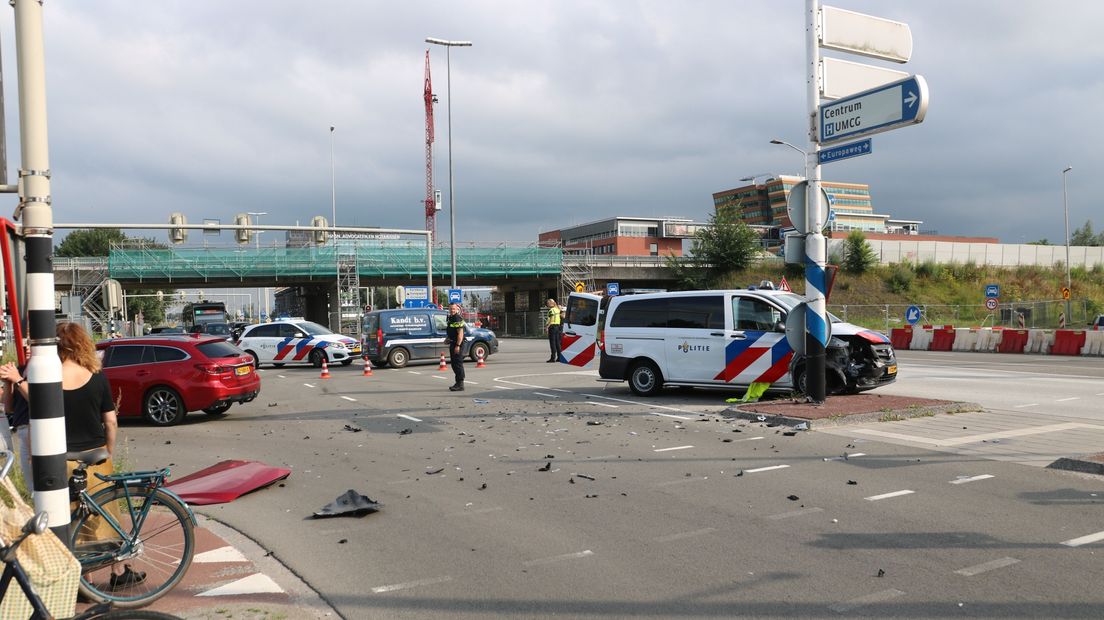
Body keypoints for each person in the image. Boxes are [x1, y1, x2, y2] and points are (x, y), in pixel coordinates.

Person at [56, 322, 143, 590]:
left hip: (63, 458)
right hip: (95, 455)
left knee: (71, 519)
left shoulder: (49, 379)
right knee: (105, 514)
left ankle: (86, 580)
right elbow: (110, 420)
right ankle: (119, 570)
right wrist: (108, 450)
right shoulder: (96, 376)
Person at [0, 342, 33, 490]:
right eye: (25, 344)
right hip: (23, 430)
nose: (27, 348)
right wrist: (8, 382)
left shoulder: (43, 369)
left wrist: (18, 380)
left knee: (39, 484)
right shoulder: (22, 369)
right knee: (31, 485)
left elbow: (39, 401)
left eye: (31, 344)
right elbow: (9, 407)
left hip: (36, 431)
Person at [446, 303, 465, 391]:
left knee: (457, 364)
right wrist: (448, 339)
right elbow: (452, 331)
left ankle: (460, 384)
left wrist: (457, 345)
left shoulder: (457, 318)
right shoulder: (451, 318)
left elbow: (460, 334)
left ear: (457, 309)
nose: (452, 310)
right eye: (450, 309)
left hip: (457, 344)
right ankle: (458, 383)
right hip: (453, 343)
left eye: (453, 309)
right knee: (454, 364)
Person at [545, 298, 562, 363]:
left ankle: (553, 358)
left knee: (552, 343)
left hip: (552, 327)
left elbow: (551, 319)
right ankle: (559, 357)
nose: (547, 305)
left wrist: (547, 327)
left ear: (550, 304)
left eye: (548, 303)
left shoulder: (551, 310)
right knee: (557, 343)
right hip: (558, 327)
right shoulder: (557, 310)